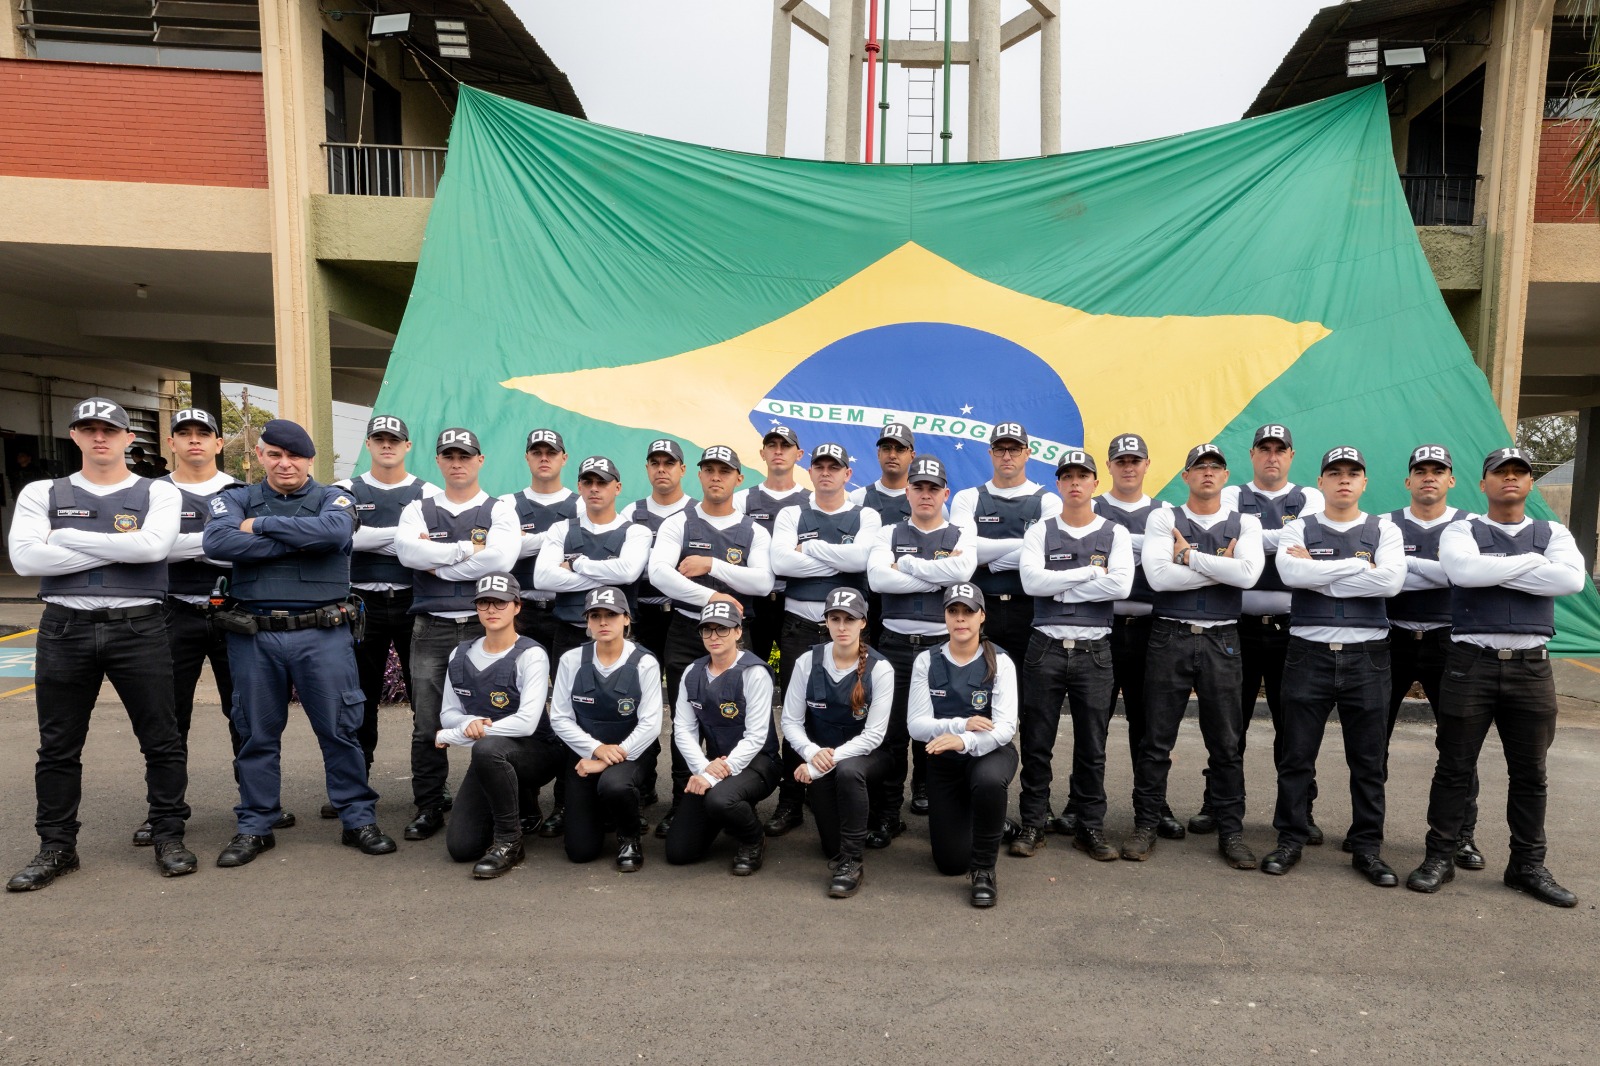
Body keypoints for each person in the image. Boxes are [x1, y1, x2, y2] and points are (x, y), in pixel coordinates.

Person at [6, 397, 194, 890]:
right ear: (74, 436)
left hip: (140, 627)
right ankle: (56, 847)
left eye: (109, 429)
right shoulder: (41, 491)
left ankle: (168, 835)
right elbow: (26, 562)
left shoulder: (159, 492)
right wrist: (117, 552)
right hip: (65, 627)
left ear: (129, 439)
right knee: (58, 746)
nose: (99, 437)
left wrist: (65, 537)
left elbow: (153, 548)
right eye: (88, 429)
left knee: (161, 739)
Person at [202, 418, 395, 867]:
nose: (285, 463)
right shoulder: (233, 497)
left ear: (310, 460)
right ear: (260, 457)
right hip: (255, 636)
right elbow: (216, 540)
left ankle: (357, 819)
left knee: (340, 730)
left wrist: (259, 526)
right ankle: (255, 825)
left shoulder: (334, 498)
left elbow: (334, 534)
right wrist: (298, 542)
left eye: (294, 456)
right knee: (254, 733)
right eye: (275, 454)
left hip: (321, 634)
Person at [1406, 447, 1587, 907]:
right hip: (1471, 662)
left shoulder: (1553, 531)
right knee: (1453, 767)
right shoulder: (1462, 529)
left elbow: (1571, 582)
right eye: (1499, 473)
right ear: (1483, 484)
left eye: (1519, 473)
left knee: (1531, 774)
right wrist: (1532, 563)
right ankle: (1440, 857)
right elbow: (1463, 571)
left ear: (1530, 484)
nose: (1510, 479)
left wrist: (1496, 571)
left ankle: (1527, 866)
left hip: (1531, 666)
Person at [1261, 447, 1405, 885]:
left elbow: (1392, 581)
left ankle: (1367, 848)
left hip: (1368, 656)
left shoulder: (1385, 529)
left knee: (1367, 760)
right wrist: (1361, 566)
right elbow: (1291, 575)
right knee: (1297, 755)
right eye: (1335, 473)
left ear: (1364, 483)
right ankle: (1290, 838)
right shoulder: (1297, 527)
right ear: (1320, 483)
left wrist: (1321, 568)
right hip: (1308, 653)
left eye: (1353, 474)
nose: (1344, 480)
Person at [1138, 443, 1264, 868]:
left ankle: (1231, 832)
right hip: (1169, 634)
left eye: (1216, 467)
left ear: (1226, 476)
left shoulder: (1244, 521)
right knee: (1156, 738)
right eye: (1199, 467)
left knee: (1227, 742)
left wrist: (1189, 556)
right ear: (1186, 475)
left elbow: (1247, 575)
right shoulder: (1163, 517)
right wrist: (1217, 567)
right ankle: (1146, 824)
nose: (1207, 473)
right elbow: (1157, 578)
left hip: (1222, 639)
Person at [393, 428, 519, 842]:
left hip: (486, 626)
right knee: (426, 722)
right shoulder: (418, 508)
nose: (457, 462)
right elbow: (408, 553)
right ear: (438, 462)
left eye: (465, 455)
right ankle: (430, 805)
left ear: (480, 460)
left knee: (503, 717)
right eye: (448, 455)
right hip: (432, 627)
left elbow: (501, 559)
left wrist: (441, 562)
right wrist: (469, 552)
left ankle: (509, 804)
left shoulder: (499, 509)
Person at [1205, 424, 1327, 842]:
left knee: (1292, 726)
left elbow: (1306, 538)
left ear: (1291, 456)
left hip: (1291, 629)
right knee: (1227, 723)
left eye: (1280, 449)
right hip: (1235, 627)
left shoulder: (1309, 496)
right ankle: (1215, 803)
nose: (1272, 456)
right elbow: (1226, 541)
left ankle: (1299, 810)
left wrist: (1249, 540)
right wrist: (1279, 540)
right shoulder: (1230, 496)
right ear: (1252, 455)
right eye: (1264, 449)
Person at [645, 444, 774, 838]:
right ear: (698, 475)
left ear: (739, 478)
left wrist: (713, 565)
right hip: (687, 630)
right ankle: (684, 802)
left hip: (737, 635)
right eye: (709, 469)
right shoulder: (678, 523)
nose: (716, 476)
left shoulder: (753, 529)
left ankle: (736, 798)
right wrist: (712, 596)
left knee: (743, 719)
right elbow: (659, 574)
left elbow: (763, 582)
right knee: (686, 720)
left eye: (725, 470)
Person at [1014, 449, 1132, 861]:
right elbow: (1031, 582)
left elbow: (1119, 587)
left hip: (1094, 650)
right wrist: (1087, 574)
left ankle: (1090, 826)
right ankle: (1033, 823)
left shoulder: (1114, 532)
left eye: (1083, 476)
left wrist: (1058, 587)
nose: (1076, 483)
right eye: (1068, 477)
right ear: (1059, 484)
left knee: (1092, 744)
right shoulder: (1039, 531)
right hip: (1045, 646)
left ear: (1095, 484)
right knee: (1036, 740)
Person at [765, 441, 881, 837]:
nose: (827, 472)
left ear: (849, 474)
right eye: (820, 466)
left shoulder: (865, 514)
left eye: (836, 466)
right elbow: (780, 561)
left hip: (847, 631)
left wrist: (810, 548)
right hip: (799, 625)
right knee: (797, 715)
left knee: (847, 712)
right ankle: (790, 801)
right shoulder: (791, 512)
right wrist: (839, 554)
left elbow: (863, 559)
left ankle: (834, 789)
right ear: (809, 472)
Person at [152, 407, 254, 848]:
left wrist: (178, 546)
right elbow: (148, 549)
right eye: (184, 434)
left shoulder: (242, 492)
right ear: (170, 443)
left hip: (234, 612)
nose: (194, 440)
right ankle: (165, 812)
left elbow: (252, 549)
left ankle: (256, 805)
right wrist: (216, 542)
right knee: (170, 718)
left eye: (203, 434)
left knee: (246, 714)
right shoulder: (152, 492)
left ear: (218, 443)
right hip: (172, 613)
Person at [948, 422, 1059, 819]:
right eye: (1000, 449)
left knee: (1034, 714)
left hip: (1032, 613)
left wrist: (988, 553)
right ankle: (972, 799)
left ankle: (1034, 810)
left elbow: (1048, 551)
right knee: (975, 705)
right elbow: (963, 553)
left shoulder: (1047, 500)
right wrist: (1023, 549)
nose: (1007, 456)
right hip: (983, 613)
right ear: (990, 453)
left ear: (1028, 453)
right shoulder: (967, 497)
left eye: (1015, 449)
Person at [866, 454, 977, 849]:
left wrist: (907, 566)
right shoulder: (887, 533)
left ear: (945, 493)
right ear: (907, 491)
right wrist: (936, 576)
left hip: (940, 648)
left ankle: (935, 805)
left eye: (933, 488)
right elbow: (879, 580)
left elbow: (962, 575)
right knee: (892, 734)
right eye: (918, 487)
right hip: (894, 645)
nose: (926, 494)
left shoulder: (961, 534)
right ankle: (888, 814)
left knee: (938, 731)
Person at [330, 415, 436, 814]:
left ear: (408, 446)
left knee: (425, 700)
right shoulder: (344, 489)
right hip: (362, 604)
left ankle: (430, 788)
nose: (387, 445)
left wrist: (367, 540)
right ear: (368, 445)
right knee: (359, 699)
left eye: (395, 440)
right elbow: (339, 538)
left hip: (414, 601)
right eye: (379, 439)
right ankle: (356, 787)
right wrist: (404, 539)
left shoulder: (428, 492)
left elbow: (434, 546)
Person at [1381, 445, 1480, 868]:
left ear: (1451, 480)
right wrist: (1436, 568)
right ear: (1407, 480)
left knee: (1458, 746)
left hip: (1448, 642)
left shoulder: (1469, 526)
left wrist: (1405, 567)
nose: (1428, 477)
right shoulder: (1384, 524)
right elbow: (1382, 579)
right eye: (1420, 471)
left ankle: (1462, 837)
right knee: (1371, 741)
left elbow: (1465, 577)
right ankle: (1365, 828)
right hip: (1391, 639)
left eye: (1438, 471)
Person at [1090, 433, 1184, 841]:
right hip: (1102, 628)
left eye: (1135, 460)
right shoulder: (1092, 508)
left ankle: (1153, 803)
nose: (1128, 467)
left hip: (1151, 629)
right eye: (1120, 460)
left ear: (1147, 465)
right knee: (1094, 721)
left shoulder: (1165, 512)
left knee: (1149, 724)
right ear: (1109, 467)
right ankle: (1083, 801)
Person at [433, 572, 554, 878]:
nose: (491, 610)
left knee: (488, 749)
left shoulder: (531, 654)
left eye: (500, 603)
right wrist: (469, 722)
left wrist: (463, 733)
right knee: (461, 847)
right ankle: (525, 808)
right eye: (484, 602)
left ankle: (509, 842)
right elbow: (449, 712)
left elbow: (527, 723)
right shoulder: (459, 654)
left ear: (516, 607)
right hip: (491, 753)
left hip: (537, 753)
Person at [907, 584, 1020, 908]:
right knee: (950, 864)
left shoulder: (1000, 662)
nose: (960, 619)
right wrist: (958, 725)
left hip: (991, 753)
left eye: (968, 612)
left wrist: (964, 740)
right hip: (945, 763)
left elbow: (1004, 728)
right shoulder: (926, 662)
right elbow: (916, 726)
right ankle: (994, 824)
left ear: (982, 616)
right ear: (944, 616)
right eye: (953, 611)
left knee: (987, 781)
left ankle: (984, 870)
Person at [780, 587, 893, 898]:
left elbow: (873, 736)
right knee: (829, 846)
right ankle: (860, 822)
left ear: (863, 623)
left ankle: (852, 862)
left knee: (848, 772)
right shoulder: (807, 661)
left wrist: (820, 765)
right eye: (835, 619)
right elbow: (790, 721)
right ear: (826, 622)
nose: (842, 627)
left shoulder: (880, 668)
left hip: (867, 757)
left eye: (849, 619)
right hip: (821, 755)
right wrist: (812, 752)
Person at [549, 585, 663, 872]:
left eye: (611, 615)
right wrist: (596, 750)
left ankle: (629, 835)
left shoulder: (644, 662)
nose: (603, 622)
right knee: (580, 851)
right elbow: (560, 718)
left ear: (626, 619)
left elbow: (651, 724)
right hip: (585, 756)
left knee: (615, 784)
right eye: (595, 615)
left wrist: (610, 757)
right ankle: (603, 812)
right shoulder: (571, 660)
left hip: (632, 754)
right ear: (586, 622)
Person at [664, 600, 780, 874]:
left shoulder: (754, 672)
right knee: (679, 851)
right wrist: (704, 768)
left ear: (738, 632)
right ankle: (727, 811)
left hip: (759, 763)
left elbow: (755, 737)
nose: (714, 637)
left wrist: (713, 776)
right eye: (708, 630)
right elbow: (682, 729)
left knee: (719, 799)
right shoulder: (692, 672)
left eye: (723, 630)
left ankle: (753, 839)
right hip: (713, 765)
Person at [502, 427, 578, 838]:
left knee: (568, 706)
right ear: (527, 458)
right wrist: (554, 542)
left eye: (552, 452)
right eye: (537, 452)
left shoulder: (581, 502)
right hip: (523, 610)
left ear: (564, 458)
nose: (544, 458)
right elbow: (502, 550)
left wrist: (526, 542)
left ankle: (568, 801)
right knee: (519, 707)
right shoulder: (507, 505)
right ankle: (524, 801)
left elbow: (587, 552)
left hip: (568, 612)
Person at [619, 438, 694, 812]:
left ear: (683, 469)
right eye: (655, 462)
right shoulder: (631, 512)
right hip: (642, 615)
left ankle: (685, 794)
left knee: (685, 708)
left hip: (685, 618)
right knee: (637, 705)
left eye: (669, 462)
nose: (661, 468)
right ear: (647, 469)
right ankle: (642, 784)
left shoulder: (698, 512)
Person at [534, 455, 650, 665]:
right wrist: (610, 578)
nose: (594, 488)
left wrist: (576, 564)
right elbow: (542, 579)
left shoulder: (637, 532)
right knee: (564, 697)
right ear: (579, 487)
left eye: (602, 482)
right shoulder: (561, 529)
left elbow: (628, 572)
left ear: (617, 487)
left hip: (618, 637)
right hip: (569, 633)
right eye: (588, 482)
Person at [733, 424, 810, 665]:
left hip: (795, 599)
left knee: (796, 675)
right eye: (772, 446)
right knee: (749, 674)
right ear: (762, 453)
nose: (778, 451)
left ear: (799, 454)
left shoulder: (812, 501)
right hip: (754, 602)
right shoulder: (741, 500)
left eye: (785, 446)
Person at [849, 422, 917, 526]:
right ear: (878, 454)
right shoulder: (857, 498)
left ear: (912, 456)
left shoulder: (926, 501)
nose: (892, 455)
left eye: (900, 449)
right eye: (886, 448)